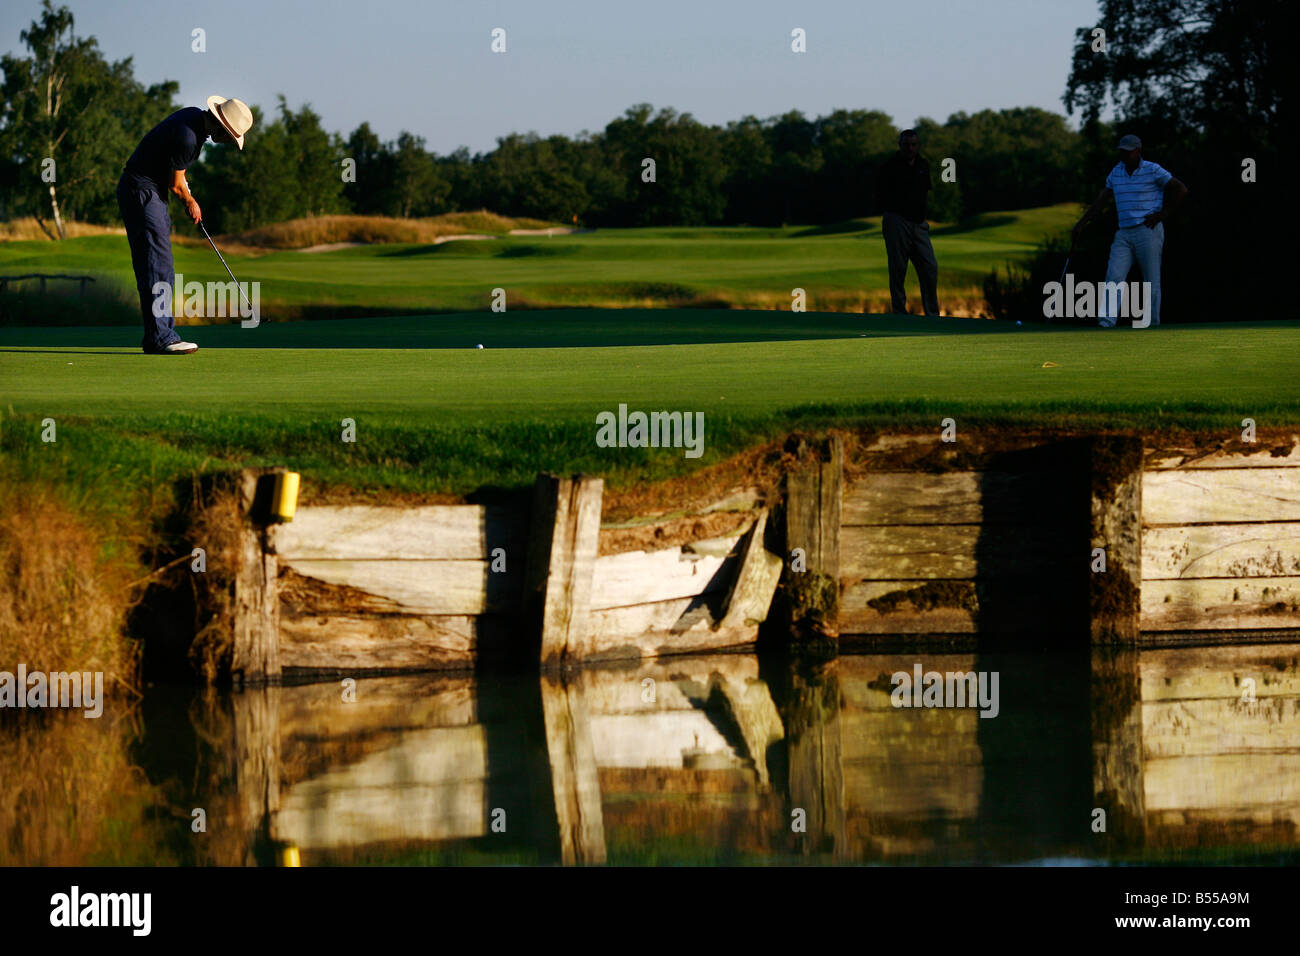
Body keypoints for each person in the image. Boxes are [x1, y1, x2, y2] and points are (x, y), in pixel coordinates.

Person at [117, 96, 254, 354]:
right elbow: (176, 184)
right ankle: (161, 338)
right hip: (143, 192)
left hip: (149, 192)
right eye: (229, 137)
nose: (227, 142)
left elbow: (176, 172)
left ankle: (158, 336)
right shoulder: (189, 137)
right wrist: (191, 202)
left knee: (160, 264)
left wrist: (187, 196)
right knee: (157, 264)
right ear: (221, 127)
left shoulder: (192, 118)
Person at [1072, 133, 1188, 327]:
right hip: (1124, 232)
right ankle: (1106, 321)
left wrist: (1162, 214)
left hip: (1148, 230)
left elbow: (1181, 189)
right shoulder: (1116, 172)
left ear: (1138, 150)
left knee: (1151, 280)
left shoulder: (1153, 170)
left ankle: (1152, 322)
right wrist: (1081, 223)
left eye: (1128, 151)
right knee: (1114, 276)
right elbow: (1102, 199)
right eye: (1122, 151)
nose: (1124, 155)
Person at [875, 129, 939, 316]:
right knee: (898, 268)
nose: (909, 148)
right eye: (906, 145)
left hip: (918, 224)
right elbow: (880, 195)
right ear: (900, 145)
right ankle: (899, 311)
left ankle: (932, 313)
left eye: (913, 145)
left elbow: (925, 192)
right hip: (897, 221)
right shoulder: (890, 166)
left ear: (917, 146)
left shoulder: (923, 165)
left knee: (929, 266)